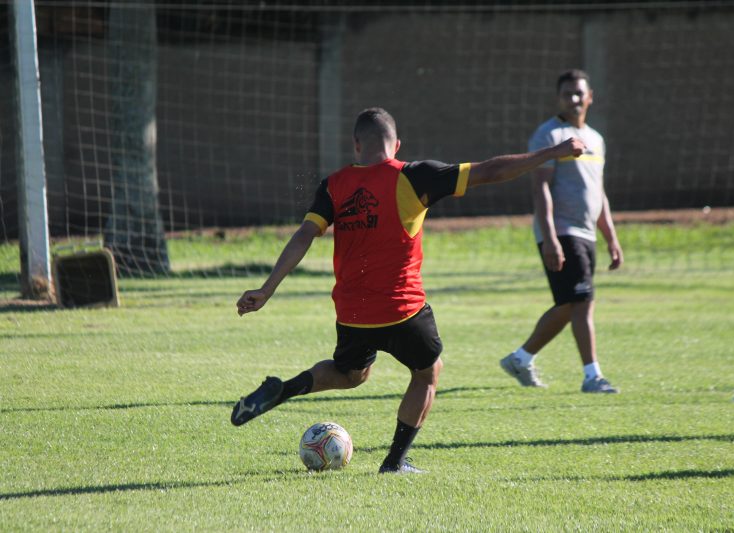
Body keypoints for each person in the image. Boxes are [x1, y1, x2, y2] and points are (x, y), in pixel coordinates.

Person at [231, 107, 585, 473]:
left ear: (356, 145)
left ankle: (283, 390)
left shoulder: (333, 185)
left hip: (352, 312)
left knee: (352, 373)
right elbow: (491, 170)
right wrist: (550, 153)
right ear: (396, 144)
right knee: (428, 371)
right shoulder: (414, 176)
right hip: (403, 310)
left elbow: (304, 234)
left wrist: (267, 289)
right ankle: (395, 462)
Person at [500, 69, 623, 394]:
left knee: (573, 303)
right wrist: (550, 237)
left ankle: (521, 358)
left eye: (579, 93)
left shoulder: (596, 139)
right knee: (581, 301)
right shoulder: (550, 135)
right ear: (559, 98)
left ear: (590, 96)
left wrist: (611, 237)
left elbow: (599, 193)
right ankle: (592, 376)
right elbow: (541, 189)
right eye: (567, 93)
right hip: (562, 231)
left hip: (586, 233)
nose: (574, 99)